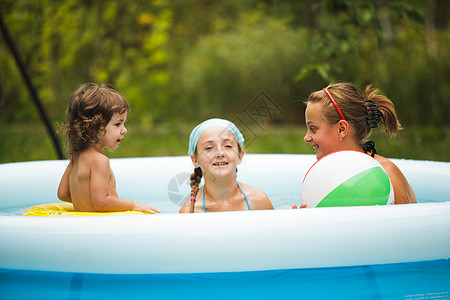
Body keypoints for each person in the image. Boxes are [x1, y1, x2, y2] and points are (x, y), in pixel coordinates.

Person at [295, 82, 416, 207]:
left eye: (313, 129)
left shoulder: (386, 175)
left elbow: (406, 223)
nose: (306, 137)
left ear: (341, 129)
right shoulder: (328, 175)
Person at [57, 83, 159, 213]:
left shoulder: (76, 157)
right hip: (103, 226)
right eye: (117, 124)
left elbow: (62, 194)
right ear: (93, 127)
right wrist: (132, 204)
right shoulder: (100, 161)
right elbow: (101, 202)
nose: (124, 130)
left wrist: (84, 202)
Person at [179, 118, 274, 213]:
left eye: (228, 146)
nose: (220, 153)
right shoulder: (190, 211)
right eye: (209, 148)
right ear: (195, 160)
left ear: (240, 155)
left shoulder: (258, 202)